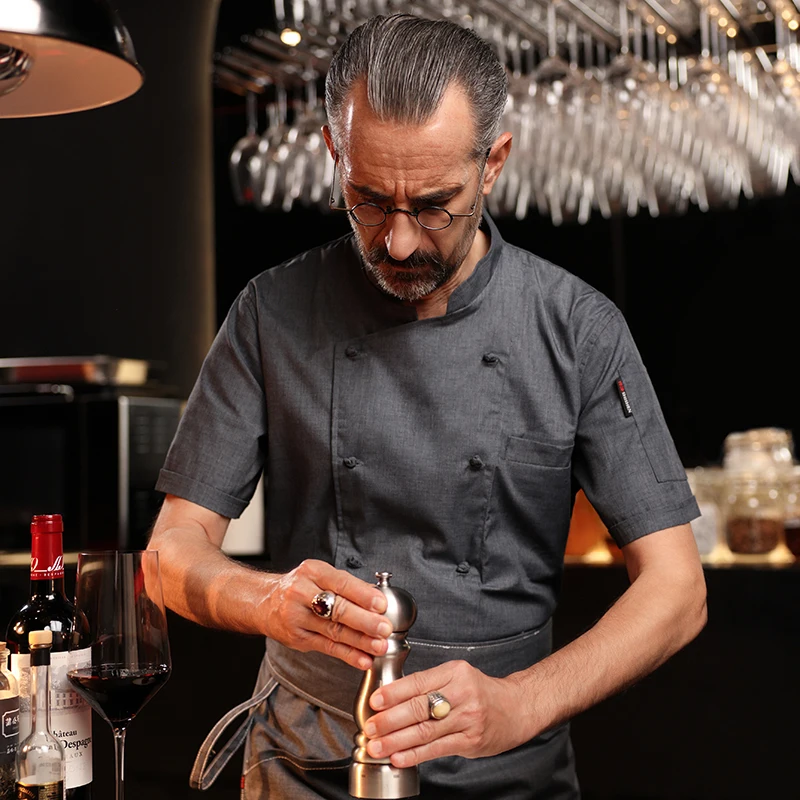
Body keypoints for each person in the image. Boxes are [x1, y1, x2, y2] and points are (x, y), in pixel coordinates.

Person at [149, 13, 707, 799]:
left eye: (435, 205)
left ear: (494, 164)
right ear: (333, 155)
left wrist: (520, 703)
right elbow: (169, 555)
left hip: (508, 767)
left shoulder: (577, 328)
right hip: (306, 758)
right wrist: (264, 599)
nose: (401, 242)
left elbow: (678, 591)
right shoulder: (270, 314)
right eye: (370, 201)